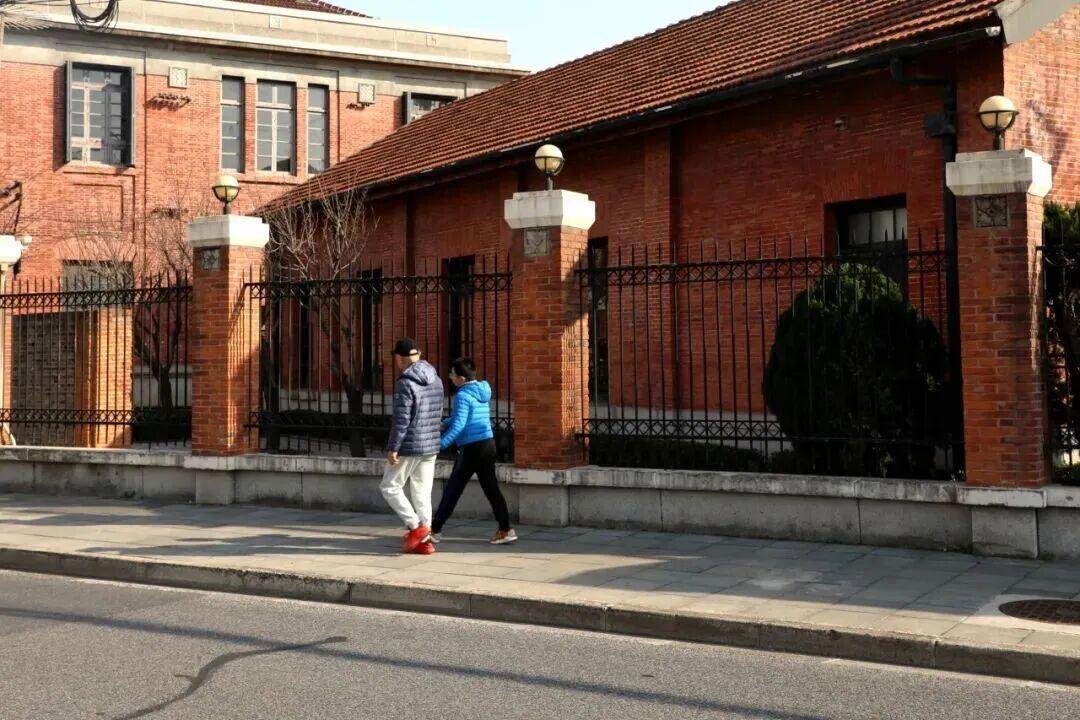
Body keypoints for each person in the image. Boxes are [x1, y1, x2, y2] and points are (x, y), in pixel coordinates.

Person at [430, 357, 517, 546]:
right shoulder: (481, 391)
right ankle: (506, 529)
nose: (450, 377)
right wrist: (445, 423)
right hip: (487, 444)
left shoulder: (462, 396)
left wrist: (439, 445)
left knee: (453, 489)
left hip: (471, 448)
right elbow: (466, 416)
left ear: (461, 378)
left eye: (452, 374)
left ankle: (435, 530)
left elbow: (460, 424)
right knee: (491, 489)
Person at [380, 338, 444, 555]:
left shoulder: (405, 382)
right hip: (431, 443)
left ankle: (417, 528)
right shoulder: (436, 379)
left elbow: (402, 419)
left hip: (410, 443)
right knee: (422, 492)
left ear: (400, 358)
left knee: (389, 486)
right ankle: (425, 542)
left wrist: (393, 447)